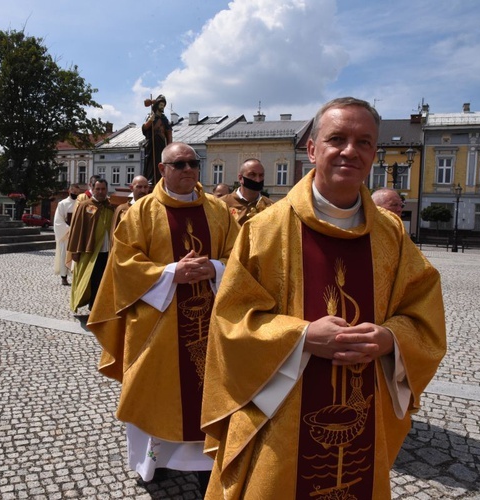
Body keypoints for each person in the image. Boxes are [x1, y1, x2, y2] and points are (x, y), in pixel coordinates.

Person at [201, 98, 447, 499]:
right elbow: (230, 320)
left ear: (373, 154)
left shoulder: (392, 236)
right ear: (313, 149)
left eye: (364, 142)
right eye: (337, 139)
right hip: (281, 414)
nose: (350, 150)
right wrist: (300, 337)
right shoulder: (264, 230)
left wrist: (389, 339)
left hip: (365, 409)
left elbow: (423, 313)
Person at [87, 142, 240, 496]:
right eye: (180, 163)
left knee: (208, 396)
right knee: (158, 398)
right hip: (159, 329)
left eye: (193, 163)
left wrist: (214, 268)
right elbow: (123, 267)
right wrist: (172, 273)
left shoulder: (217, 210)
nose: (188, 169)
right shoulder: (140, 213)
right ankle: (153, 464)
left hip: (212, 328)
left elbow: (241, 258)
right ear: (162, 169)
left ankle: (208, 470)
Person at [67, 178, 114, 313]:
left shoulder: (111, 207)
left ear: (107, 189)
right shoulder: (85, 206)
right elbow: (77, 229)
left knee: (103, 280)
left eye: (103, 189)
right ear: (92, 189)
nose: (100, 192)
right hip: (90, 251)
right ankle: (92, 305)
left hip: (107, 251)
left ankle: (100, 305)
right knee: (91, 279)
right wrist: (75, 250)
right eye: (97, 189)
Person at [221, 158, 274, 225]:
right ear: (240, 178)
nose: (258, 180)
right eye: (252, 175)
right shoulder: (223, 204)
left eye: (261, 175)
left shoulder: (271, 206)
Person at [54, 183, 82, 286]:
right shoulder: (62, 204)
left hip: (78, 233)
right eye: (73, 192)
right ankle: (64, 277)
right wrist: (69, 229)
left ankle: (76, 276)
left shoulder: (81, 203)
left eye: (77, 192)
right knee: (64, 256)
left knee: (77, 256)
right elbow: (58, 221)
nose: (75, 194)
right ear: (69, 191)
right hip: (66, 234)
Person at [141, 95, 172, 183]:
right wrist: (150, 121)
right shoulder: (150, 116)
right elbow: (144, 128)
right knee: (151, 161)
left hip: (161, 143)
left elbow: (169, 131)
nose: (162, 107)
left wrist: (169, 146)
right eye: (161, 105)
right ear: (157, 105)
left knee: (160, 161)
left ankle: (159, 179)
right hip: (151, 143)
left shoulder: (164, 119)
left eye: (163, 105)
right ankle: (150, 179)